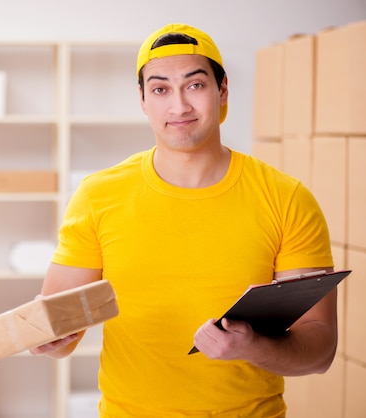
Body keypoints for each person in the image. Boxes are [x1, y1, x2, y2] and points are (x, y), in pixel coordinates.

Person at [30, 23, 336, 417]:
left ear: (222, 90)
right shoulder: (97, 195)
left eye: (195, 85)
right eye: (160, 89)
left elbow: (320, 350)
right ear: (142, 100)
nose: (179, 107)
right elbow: (61, 331)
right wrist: (49, 336)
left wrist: (252, 347)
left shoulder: (286, 198)